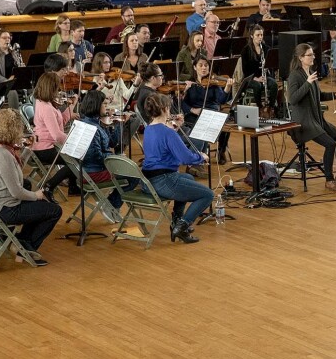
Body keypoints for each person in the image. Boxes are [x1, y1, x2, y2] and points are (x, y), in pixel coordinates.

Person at [0, 109, 61, 266]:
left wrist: (28, 150)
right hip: (4, 208)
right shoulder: (2, 155)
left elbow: (13, 171)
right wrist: (36, 195)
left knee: (40, 208)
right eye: (19, 129)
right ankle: (24, 249)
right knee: (54, 211)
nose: (21, 133)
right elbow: (16, 192)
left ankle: (21, 245)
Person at [141, 92, 212, 243]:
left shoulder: (148, 129)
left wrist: (175, 128)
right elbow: (185, 158)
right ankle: (182, 226)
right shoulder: (168, 133)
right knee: (208, 195)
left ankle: (176, 220)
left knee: (188, 177)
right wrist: (201, 157)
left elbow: (165, 143)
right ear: (164, 108)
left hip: (148, 181)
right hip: (164, 180)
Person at [287, 43, 336, 192]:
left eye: (313, 54)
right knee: (330, 144)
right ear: (301, 58)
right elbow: (293, 99)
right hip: (304, 122)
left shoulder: (311, 72)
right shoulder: (295, 75)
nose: (313, 57)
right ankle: (329, 180)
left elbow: (318, 95)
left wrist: (335, 94)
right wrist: (308, 83)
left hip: (316, 118)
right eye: (309, 55)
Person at [77, 90, 137, 221]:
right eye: (104, 104)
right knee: (133, 175)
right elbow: (95, 156)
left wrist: (119, 123)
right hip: (93, 172)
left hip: (91, 169)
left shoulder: (94, 122)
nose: (107, 107)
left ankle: (110, 204)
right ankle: (111, 205)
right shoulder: (91, 128)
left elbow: (112, 142)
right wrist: (116, 159)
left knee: (130, 171)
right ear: (96, 105)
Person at [32, 72, 81, 196]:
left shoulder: (44, 102)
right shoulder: (46, 107)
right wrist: (75, 141)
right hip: (45, 149)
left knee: (76, 156)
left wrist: (72, 105)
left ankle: (73, 187)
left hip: (48, 145)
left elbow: (61, 121)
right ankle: (49, 186)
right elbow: (57, 135)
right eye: (57, 88)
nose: (58, 91)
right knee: (77, 159)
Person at [181, 55, 235, 164]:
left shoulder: (213, 83)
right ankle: (196, 160)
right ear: (195, 67)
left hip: (212, 113)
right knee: (202, 128)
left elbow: (221, 100)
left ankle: (221, 150)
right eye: (200, 65)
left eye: (206, 65)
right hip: (194, 114)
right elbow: (183, 104)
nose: (204, 68)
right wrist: (192, 110)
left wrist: (228, 87)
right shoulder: (190, 84)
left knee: (226, 123)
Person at [240, 25, 278, 114]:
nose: (260, 37)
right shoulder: (246, 50)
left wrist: (266, 75)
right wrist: (256, 78)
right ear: (252, 36)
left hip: (264, 76)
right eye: (257, 35)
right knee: (257, 85)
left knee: (274, 84)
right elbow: (245, 70)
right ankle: (260, 107)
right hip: (250, 78)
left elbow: (271, 65)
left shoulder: (266, 48)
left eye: (261, 35)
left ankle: (271, 107)